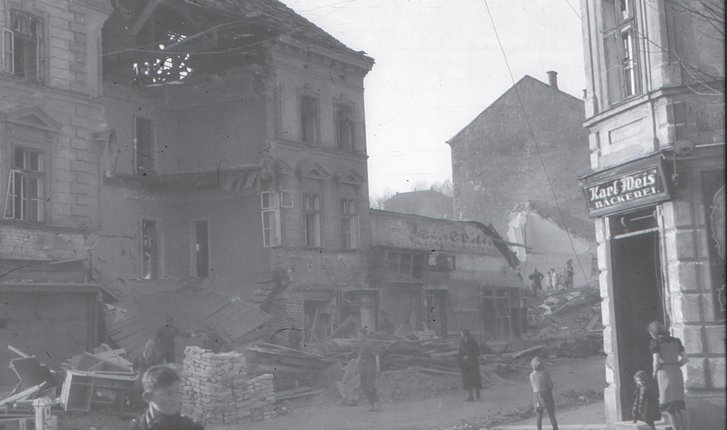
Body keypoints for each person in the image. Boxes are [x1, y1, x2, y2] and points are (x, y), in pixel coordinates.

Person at [130, 364, 203, 430]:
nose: (175, 398)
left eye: (177, 392)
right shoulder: (138, 427)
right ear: (148, 397)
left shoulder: (192, 427)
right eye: (168, 394)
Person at [648, 321, 689, 430]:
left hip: (664, 373)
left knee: (669, 407)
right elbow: (685, 359)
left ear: (653, 333)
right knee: (679, 406)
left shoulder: (655, 342)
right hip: (676, 372)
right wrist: (675, 365)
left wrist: (654, 372)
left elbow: (656, 361)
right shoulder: (677, 341)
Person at [529, 357, 559, 430]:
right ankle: (555, 428)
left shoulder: (531, 375)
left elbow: (532, 386)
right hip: (546, 394)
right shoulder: (545, 374)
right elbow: (551, 385)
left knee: (539, 416)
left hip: (536, 395)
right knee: (551, 413)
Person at [132, 339, 163, 407]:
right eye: (148, 346)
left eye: (151, 346)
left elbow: (158, 368)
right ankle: (136, 404)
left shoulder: (156, 357)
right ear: (146, 346)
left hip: (149, 376)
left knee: (148, 390)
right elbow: (134, 366)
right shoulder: (140, 355)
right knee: (137, 388)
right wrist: (136, 372)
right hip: (140, 375)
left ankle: (144, 406)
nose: (150, 348)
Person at [357, 328, 378, 411]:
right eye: (358, 335)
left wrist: (378, 366)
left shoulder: (370, 343)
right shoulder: (361, 344)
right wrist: (356, 365)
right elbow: (359, 356)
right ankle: (371, 404)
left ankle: (376, 403)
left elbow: (376, 355)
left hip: (370, 365)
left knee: (370, 385)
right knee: (363, 385)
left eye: (360, 335)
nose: (359, 336)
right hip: (362, 366)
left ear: (364, 335)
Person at [457, 329, 481, 401]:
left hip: (472, 365)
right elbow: (460, 353)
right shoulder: (461, 342)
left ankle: (477, 391)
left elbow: (477, 353)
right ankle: (470, 396)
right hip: (465, 365)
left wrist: (469, 357)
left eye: (461, 333)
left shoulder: (472, 342)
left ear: (465, 334)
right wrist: (459, 362)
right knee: (467, 380)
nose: (461, 335)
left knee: (474, 379)